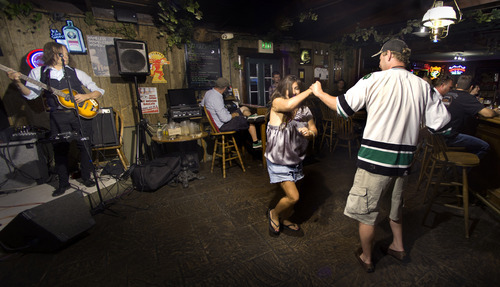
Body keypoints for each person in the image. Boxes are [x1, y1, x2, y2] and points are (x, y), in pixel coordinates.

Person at [310, 39, 450, 273]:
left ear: (387, 55)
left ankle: (366, 257)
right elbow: (442, 125)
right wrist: (412, 131)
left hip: (374, 161)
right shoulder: (423, 85)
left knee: (366, 213)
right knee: (396, 206)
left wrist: (319, 92)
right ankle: (398, 246)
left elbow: (342, 107)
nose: (378, 61)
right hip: (404, 161)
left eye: (380, 57)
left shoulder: (373, 79)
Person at [7, 42, 104, 197]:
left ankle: (87, 177)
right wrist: (17, 82)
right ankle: (63, 183)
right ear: (50, 54)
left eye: (66, 54)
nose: (65, 56)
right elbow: (31, 94)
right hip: (58, 115)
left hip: (80, 114)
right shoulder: (39, 72)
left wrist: (85, 96)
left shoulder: (75, 72)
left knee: (85, 146)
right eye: (61, 53)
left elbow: (98, 90)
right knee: (60, 149)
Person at [266, 75, 317, 237]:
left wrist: (310, 133)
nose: (296, 91)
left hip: (296, 159)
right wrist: (310, 90)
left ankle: (284, 218)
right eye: (293, 88)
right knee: (293, 196)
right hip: (279, 159)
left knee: (293, 198)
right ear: (284, 88)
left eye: (298, 88)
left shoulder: (304, 110)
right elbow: (289, 104)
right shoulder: (278, 103)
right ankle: (274, 213)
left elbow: (314, 130)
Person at [444, 75, 499, 159]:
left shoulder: (447, 94)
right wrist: (495, 111)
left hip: (439, 136)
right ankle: (459, 169)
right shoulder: (466, 97)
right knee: (485, 147)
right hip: (451, 137)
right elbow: (488, 114)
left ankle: (456, 165)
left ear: (456, 85)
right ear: (471, 87)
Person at [201, 77, 261, 148]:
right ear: (224, 88)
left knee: (243, 108)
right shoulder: (217, 98)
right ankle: (256, 142)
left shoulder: (209, 92)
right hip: (222, 126)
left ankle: (251, 116)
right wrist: (233, 115)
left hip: (220, 122)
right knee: (249, 121)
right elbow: (225, 119)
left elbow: (202, 104)